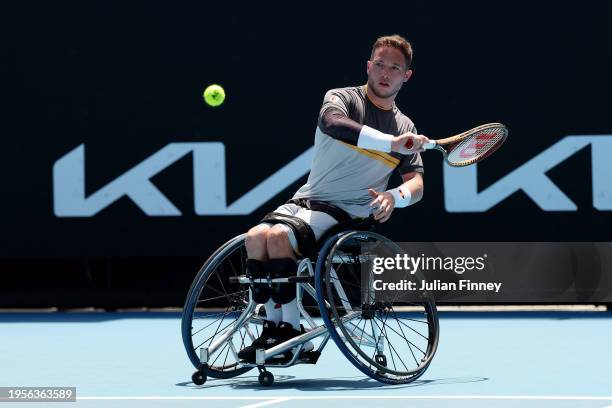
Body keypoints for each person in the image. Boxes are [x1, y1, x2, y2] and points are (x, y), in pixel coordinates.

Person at [237, 34, 430, 362]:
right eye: (380, 64)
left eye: (394, 68)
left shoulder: (405, 125)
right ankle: (275, 329)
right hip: (306, 202)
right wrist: (390, 143)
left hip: (349, 212)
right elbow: (333, 123)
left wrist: (393, 197)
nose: (385, 73)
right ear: (368, 66)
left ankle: (289, 334)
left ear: (406, 76)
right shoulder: (342, 99)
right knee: (256, 237)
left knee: (279, 237)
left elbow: (416, 183)